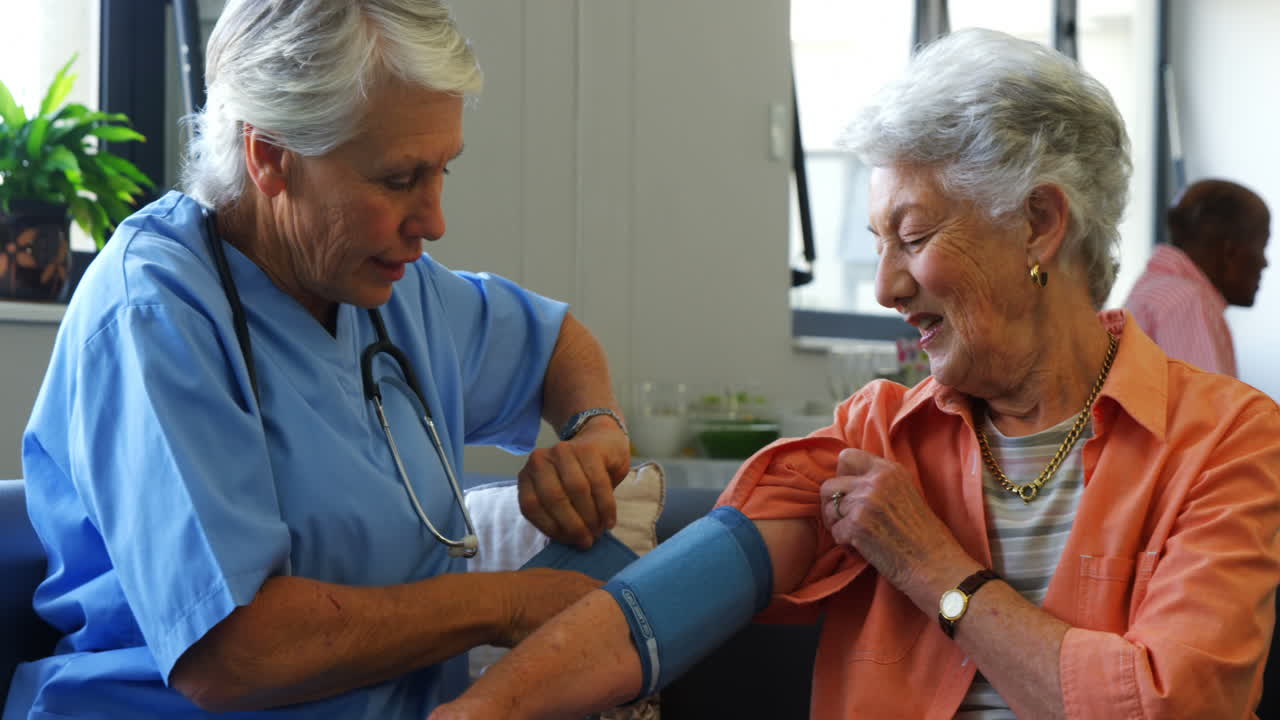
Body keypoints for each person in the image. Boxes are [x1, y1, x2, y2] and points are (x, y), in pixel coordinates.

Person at [430, 28, 1280, 720]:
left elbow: (1174, 707)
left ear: (1039, 223)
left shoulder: (1224, 442)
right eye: (878, 244)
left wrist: (936, 573)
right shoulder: (878, 438)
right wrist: (481, 712)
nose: (884, 287)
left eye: (912, 238)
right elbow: (665, 607)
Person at [4, 1, 631, 718]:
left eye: (442, 172)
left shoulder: (393, 289)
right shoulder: (154, 316)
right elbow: (233, 654)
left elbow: (557, 343)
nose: (434, 221)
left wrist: (595, 427)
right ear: (269, 156)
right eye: (399, 180)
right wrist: (504, 603)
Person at [1124, 179, 1270, 377]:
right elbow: (1206, 406)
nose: (1264, 263)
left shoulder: (1156, 288)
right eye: (1261, 248)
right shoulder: (1185, 301)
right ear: (1230, 253)